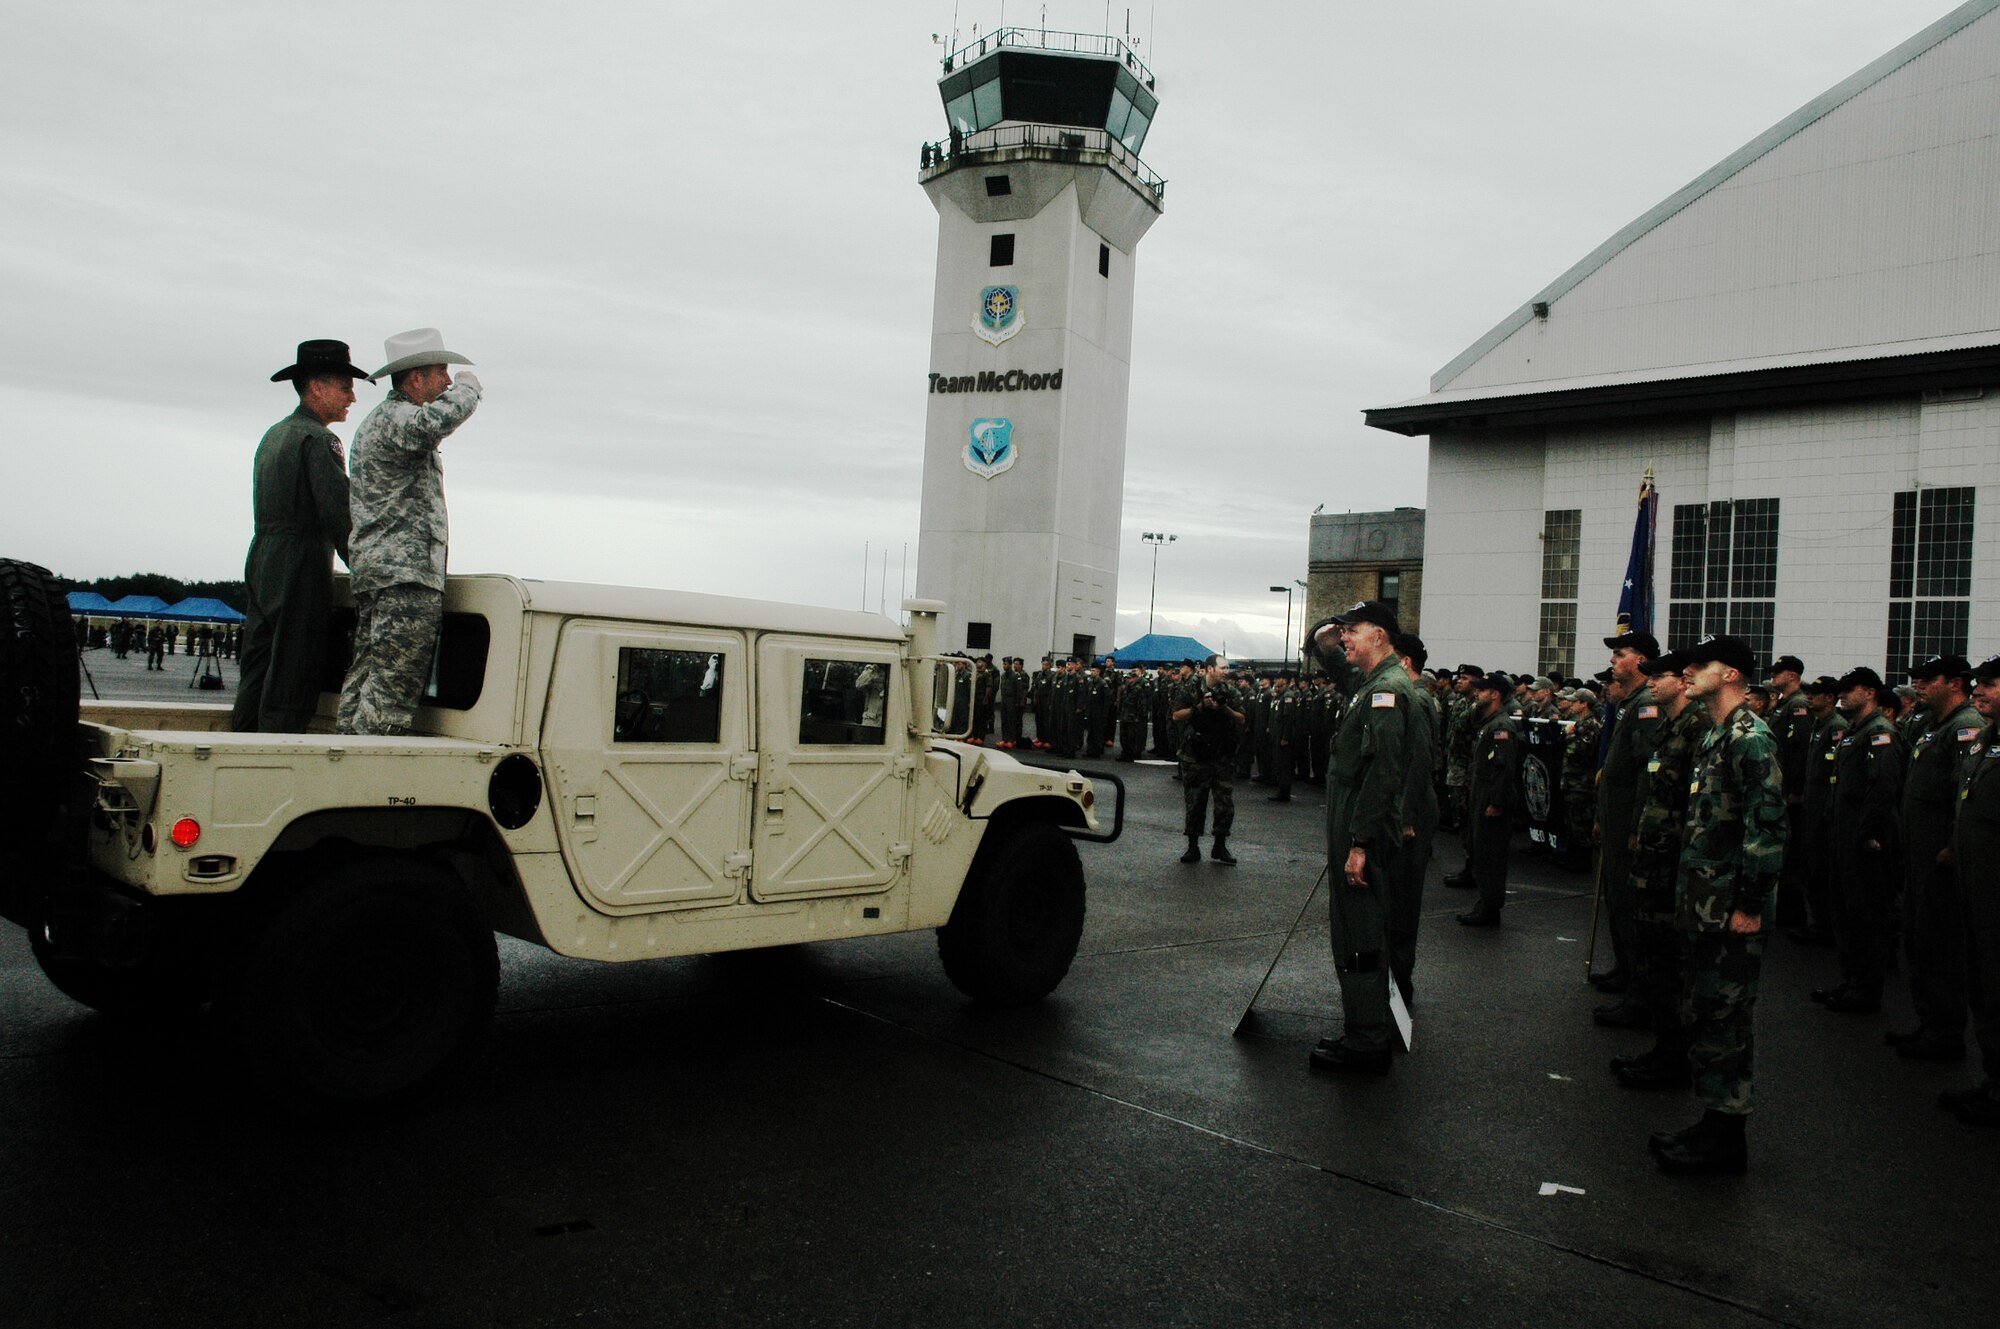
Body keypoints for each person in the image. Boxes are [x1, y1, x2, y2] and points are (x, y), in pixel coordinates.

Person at [1650, 634, 1786, 1176]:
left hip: (1733, 908)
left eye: (1700, 665)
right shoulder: (1716, 734)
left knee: (1727, 1017)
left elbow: (1767, 826)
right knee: (1707, 1011)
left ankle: (1728, 1137)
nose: (1688, 672)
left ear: (1730, 674)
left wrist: (1751, 901)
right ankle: (1713, 1121)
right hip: (1706, 903)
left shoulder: (1750, 736)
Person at [338, 328, 482, 736]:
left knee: (365, 679)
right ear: (415, 377)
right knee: (393, 691)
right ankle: (364, 776)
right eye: (441, 371)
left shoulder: (382, 422)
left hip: (382, 574)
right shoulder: (400, 419)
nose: (449, 381)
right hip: (405, 577)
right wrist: (470, 391)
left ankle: (341, 762)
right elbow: (435, 421)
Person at [232, 338, 367, 733]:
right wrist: (367, 567)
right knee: (294, 667)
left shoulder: (273, 436)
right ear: (317, 388)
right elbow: (339, 515)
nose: (352, 397)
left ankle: (241, 743)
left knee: (257, 665)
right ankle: (275, 756)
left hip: (262, 556)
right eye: (345, 387)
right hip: (301, 560)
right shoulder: (318, 439)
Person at [1307, 602, 1415, 1073]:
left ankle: (1368, 1043)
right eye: (1344, 631)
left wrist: (1360, 844)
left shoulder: (1388, 692)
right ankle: (1362, 1027)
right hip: (1352, 823)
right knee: (1352, 931)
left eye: (1354, 630)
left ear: (1381, 635)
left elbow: (1383, 775)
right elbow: (1327, 652)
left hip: (1362, 829)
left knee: (1362, 932)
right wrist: (1326, 631)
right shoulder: (1368, 685)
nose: (1345, 637)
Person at [1606, 653, 1711, 1059]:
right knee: (1653, 947)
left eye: (1661, 676)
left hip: (1673, 858)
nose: (1651, 683)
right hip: (1656, 852)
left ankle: (1671, 1049)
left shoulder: (1696, 727)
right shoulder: (1672, 726)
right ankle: (1658, 1032)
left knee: (1670, 956)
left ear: (1683, 682)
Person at [1890, 655, 1981, 1060]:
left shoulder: (1965, 726)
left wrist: (1952, 846)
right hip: (1920, 850)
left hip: (1941, 857)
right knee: (1919, 939)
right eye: (1917, 680)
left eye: (1929, 679)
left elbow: (1968, 795)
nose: (1920, 686)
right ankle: (1930, 1023)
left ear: (1956, 684)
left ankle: (1945, 1033)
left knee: (1940, 946)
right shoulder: (1933, 725)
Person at [1814, 667, 1906, 1014]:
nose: (1842, 695)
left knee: (1867, 914)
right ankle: (1851, 980)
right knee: (1846, 910)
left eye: (1849, 690)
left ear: (1869, 693)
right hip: (1844, 830)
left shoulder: (1881, 731)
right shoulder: (1855, 731)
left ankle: (1866, 989)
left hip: (1863, 835)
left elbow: (1882, 787)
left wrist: (1868, 832)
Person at [1941, 655, 2000, 1127]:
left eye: (1991, 684)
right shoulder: (1985, 738)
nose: (1979, 690)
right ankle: (1993, 1083)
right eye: (1978, 683)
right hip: (1978, 885)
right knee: (1983, 985)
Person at [1594, 632, 1665, 989]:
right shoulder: (1630, 703)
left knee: (1627, 899)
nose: (1612, 661)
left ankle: (1636, 980)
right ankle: (1624, 967)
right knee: (1615, 897)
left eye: (1619, 654)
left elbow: (1646, 771)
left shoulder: (1646, 705)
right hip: (1615, 815)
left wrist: (1638, 824)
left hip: (1628, 819)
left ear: (1639, 661)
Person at [1390, 631, 1439, 1011]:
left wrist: (1406, 818)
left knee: (1403, 902)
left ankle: (1399, 984)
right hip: (1408, 806)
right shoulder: (1411, 695)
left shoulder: (1417, 699)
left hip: (1413, 809)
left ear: (1405, 662)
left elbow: (1418, 762)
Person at [1457, 671, 1521, 927]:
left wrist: (1496, 802)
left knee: (1490, 854)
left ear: (1495, 695)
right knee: (1480, 850)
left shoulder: (1501, 727)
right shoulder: (1490, 722)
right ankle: (1486, 902)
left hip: (1491, 797)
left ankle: (1490, 907)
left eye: (1482, 690)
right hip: (1482, 792)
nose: (1477, 694)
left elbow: (1503, 769)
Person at [1173, 655, 1244, 865]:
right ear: (1210, 669)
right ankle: (1193, 846)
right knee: (1195, 801)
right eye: (1222, 668)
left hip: (1222, 755)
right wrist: (1199, 707)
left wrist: (1224, 709)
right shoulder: (1191, 688)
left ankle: (1220, 846)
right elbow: (1177, 715)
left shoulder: (1230, 692)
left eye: (1227, 668)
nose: (1226, 671)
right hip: (1197, 755)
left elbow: (1242, 718)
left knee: (1224, 802)